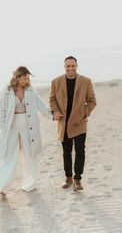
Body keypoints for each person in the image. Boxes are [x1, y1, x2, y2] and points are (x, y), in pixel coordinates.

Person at [0, 66, 53, 198]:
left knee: (29, 155)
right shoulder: (6, 91)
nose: (27, 80)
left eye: (28, 77)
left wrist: (52, 115)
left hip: (28, 127)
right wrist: (2, 124)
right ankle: (3, 187)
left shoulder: (31, 91)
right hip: (11, 127)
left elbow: (41, 105)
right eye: (25, 77)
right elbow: (0, 109)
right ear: (17, 77)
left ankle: (30, 184)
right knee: (8, 157)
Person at [49, 56, 96, 191]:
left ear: (77, 66)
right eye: (68, 66)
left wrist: (85, 112)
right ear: (64, 67)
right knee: (66, 152)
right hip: (63, 123)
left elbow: (92, 101)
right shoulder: (56, 82)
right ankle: (68, 178)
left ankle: (78, 179)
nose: (71, 68)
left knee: (80, 150)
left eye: (73, 66)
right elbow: (52, 100)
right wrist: (55, 111)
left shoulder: (86, 82)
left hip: (79, 123)